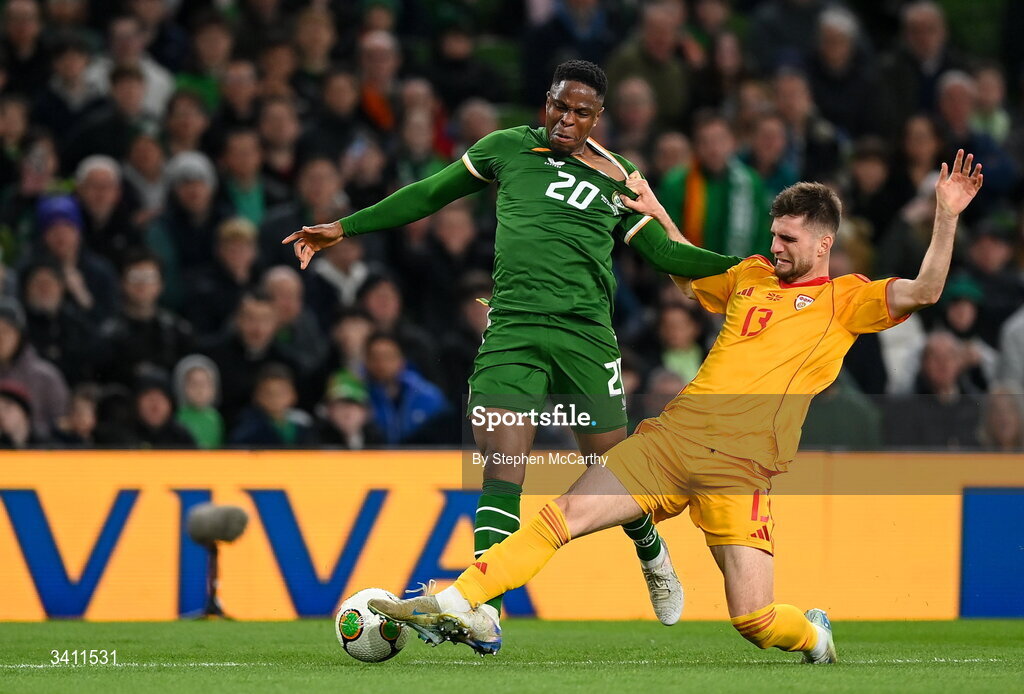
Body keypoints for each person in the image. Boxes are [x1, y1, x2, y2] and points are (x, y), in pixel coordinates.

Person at [368, 150, 984, 660]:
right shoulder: (750, 275)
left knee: (756, 621)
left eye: (789, 239)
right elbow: (683, 265)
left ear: (823, 244)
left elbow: (927, 289)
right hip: (669, 442)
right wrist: (657, 212)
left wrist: (945, 215)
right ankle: (460, 597)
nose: (776, 247)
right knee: (562, 517)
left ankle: (815, 634)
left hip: (740, 471)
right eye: (773, 234)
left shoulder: (848, 301)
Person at [284, 60, 742, 626]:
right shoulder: (507, 147)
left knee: (609, 464)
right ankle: (485, 612)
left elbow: (667, 256)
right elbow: (429, 194)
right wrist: (344, 227)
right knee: (502, 465)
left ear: (599, 118)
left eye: (580, 112)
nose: (566, 118)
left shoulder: (620, 177)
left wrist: (748, 270)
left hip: (585, 334)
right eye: (558, 104)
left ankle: (650, 551)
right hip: (513, 330)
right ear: (545, 101)